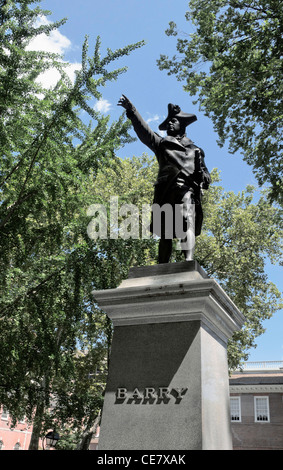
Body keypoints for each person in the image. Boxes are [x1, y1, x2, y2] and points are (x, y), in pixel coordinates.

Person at [118, 95, 211, 263]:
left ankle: (189, 261)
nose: (169, 123)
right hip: (166, 190)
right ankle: (162, 266)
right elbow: (145, 131)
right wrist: (132, 111)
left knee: (187, 221)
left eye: (173, 121)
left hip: (186, 189)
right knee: (166, 231)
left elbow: (204, 172)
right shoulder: (162, 144)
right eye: (168, 122)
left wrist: (205, 176)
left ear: (181, 125)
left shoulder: (196, 150)